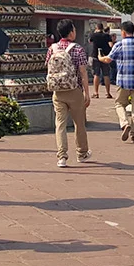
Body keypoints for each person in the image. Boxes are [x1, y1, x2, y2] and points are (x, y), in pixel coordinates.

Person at [46, 19, 91, 167]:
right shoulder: (77, 49)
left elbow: (48, 67)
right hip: (74, 90)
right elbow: (83, 72)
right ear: (71, 32)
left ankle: (62, 156)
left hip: (58, 91)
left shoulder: (52, 48)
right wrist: (87, 93)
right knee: (79, 123)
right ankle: (82, 153)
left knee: (60, 124)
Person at [88, 21, 115, 99]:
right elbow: (111, 45)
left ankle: (96, 93)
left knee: (96, 74)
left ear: (97, 28)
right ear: (103, 28)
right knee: (106, 74)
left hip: (95, 55)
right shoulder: (107, 35)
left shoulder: (94, 35)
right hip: (105, 56)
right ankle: (108, 93)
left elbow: (89, 41)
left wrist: (94, 33)